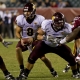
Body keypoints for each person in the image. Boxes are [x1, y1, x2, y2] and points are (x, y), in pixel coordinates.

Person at [17, 12, 79, 80]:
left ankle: (75, 73)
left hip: (58, 45)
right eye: (57, 23)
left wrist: (63, 41)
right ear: (53, 22)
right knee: (32, 57)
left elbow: (73, 37)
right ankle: (25, 74)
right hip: (45, 44)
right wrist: (46, 38)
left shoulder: (68, 27)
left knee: (71, 58)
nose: (59, 24)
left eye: (61, 22)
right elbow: (37, 35)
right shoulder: (46, 24)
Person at [15, 2, 58, 79]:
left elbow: (41, 33)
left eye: (28, 11)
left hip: (36, 40)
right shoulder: (20, 19)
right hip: (24, 39)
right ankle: (22, 69)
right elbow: (17, 32)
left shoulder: (40, 19)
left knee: (43, 58)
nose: (26, 13)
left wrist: (33, 38)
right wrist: (21, 39)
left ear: (33, 11)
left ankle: (52, 70)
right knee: (17, 49)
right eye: (25, 11)